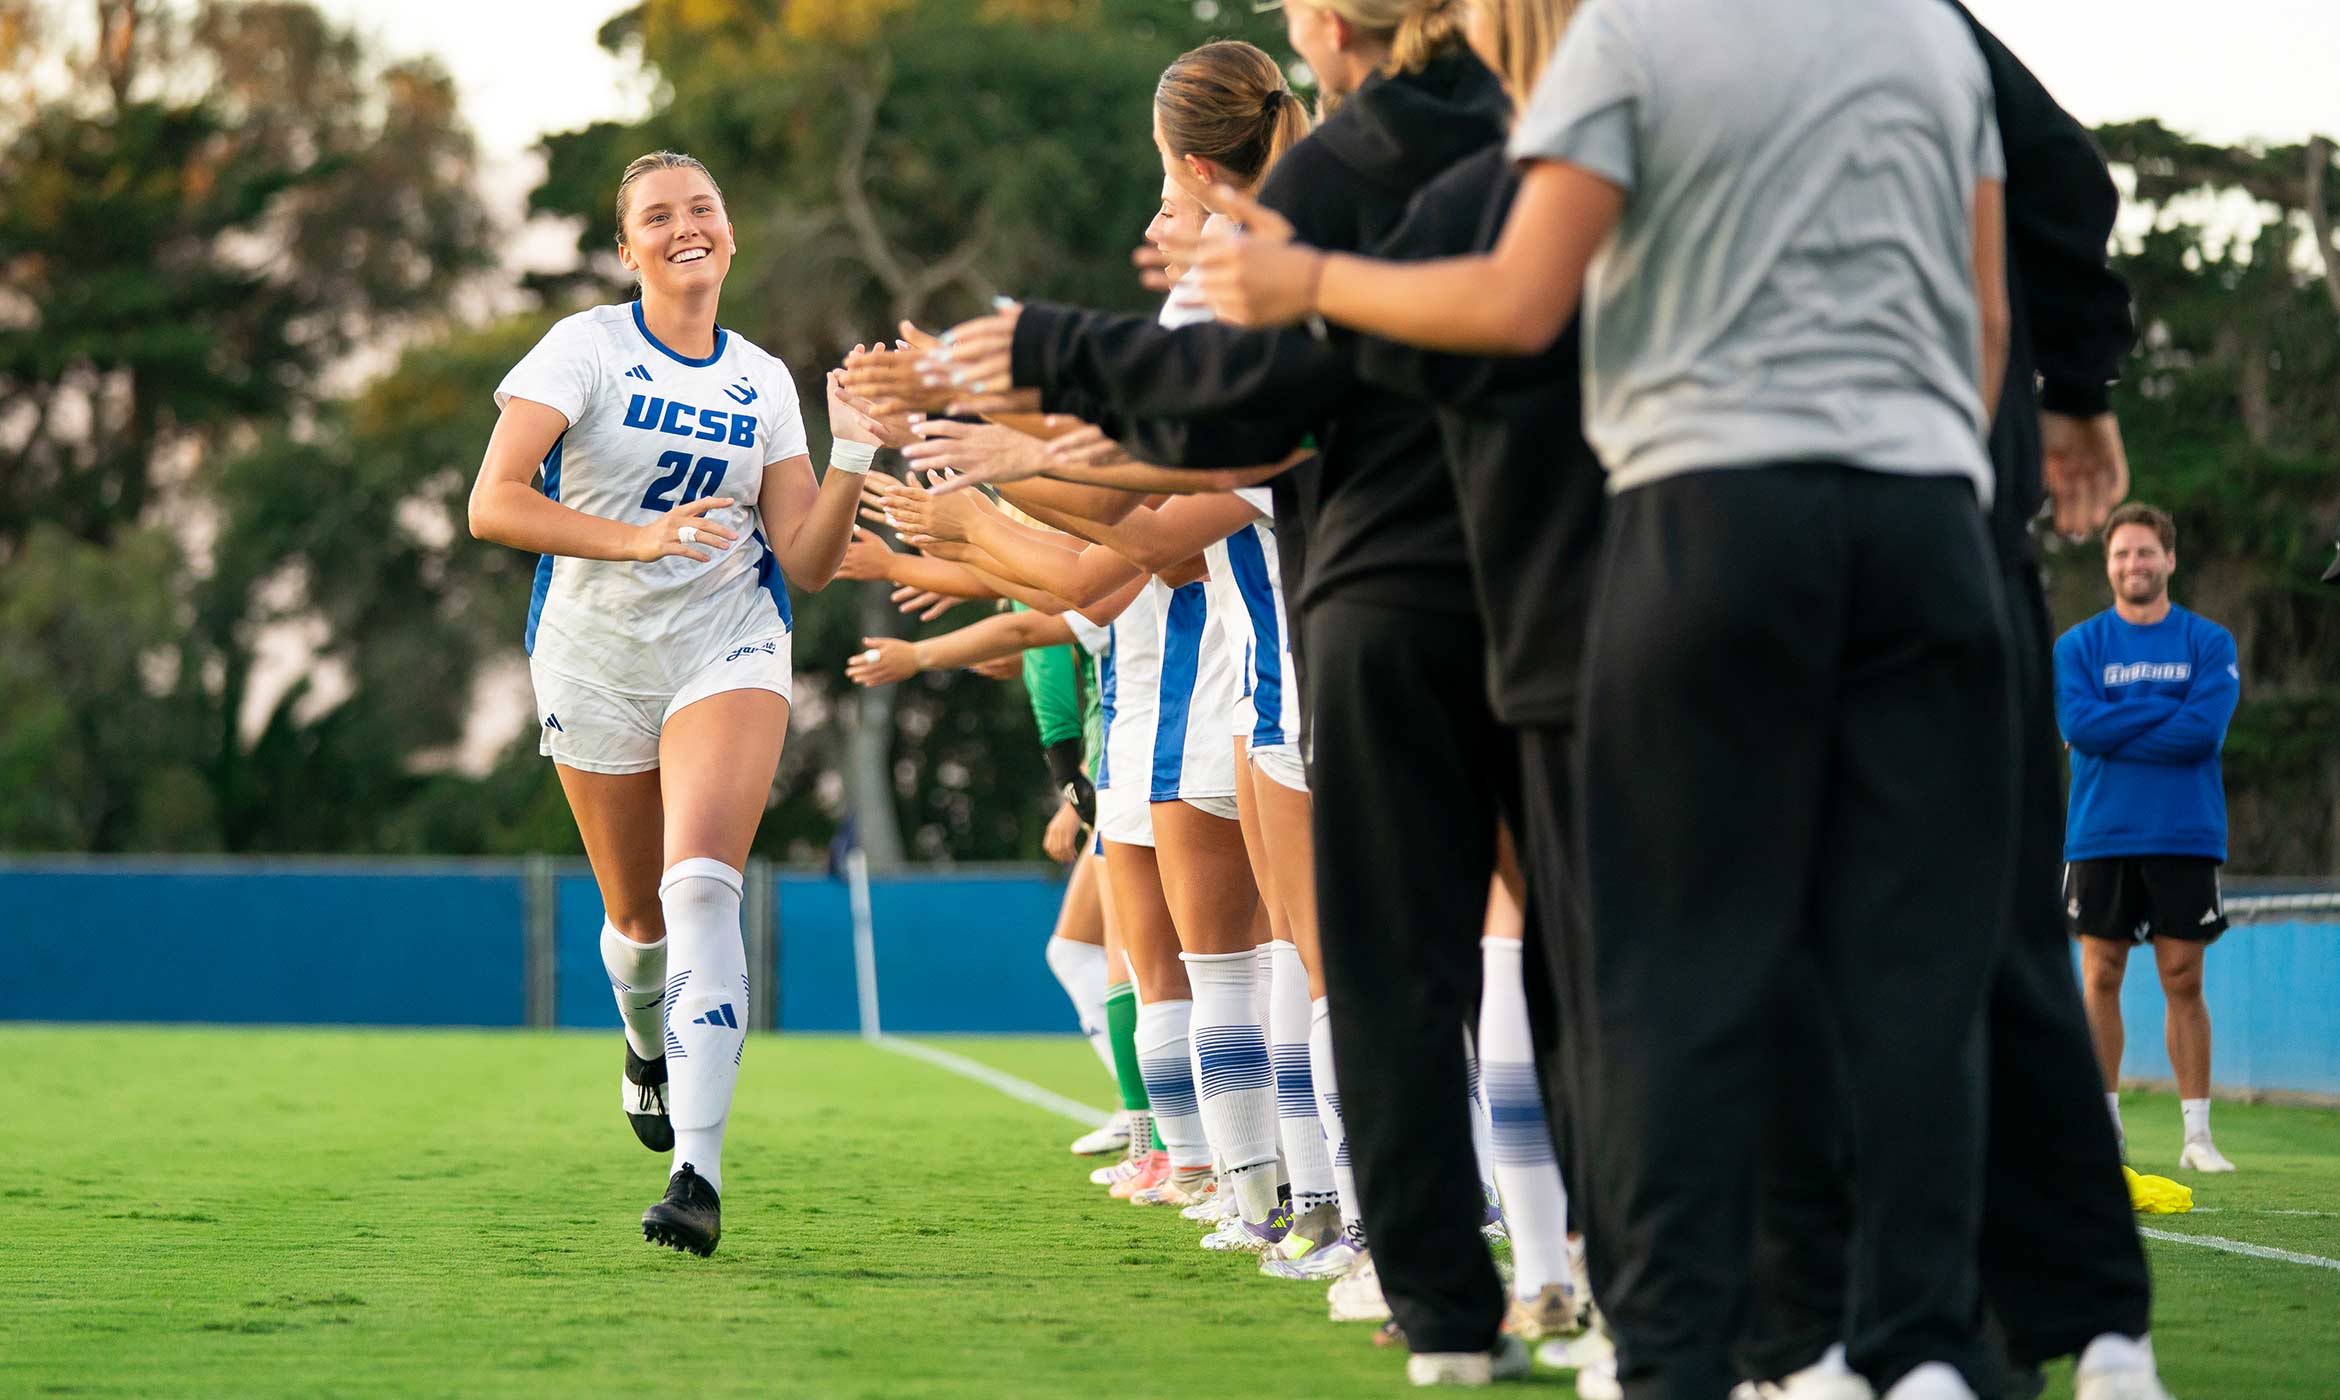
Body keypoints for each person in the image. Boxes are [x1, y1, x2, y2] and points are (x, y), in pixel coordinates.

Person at [1184, 0, 2021, 1392]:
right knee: (1907, 959)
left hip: (1710, 533)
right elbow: (1985, 317)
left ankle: (1698, 1346)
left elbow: (1518, 300)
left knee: (1681, 963)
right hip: (1928, 522)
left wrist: (1312, 281)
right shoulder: (1925, 39)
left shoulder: (1627, 47)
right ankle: (1910, 1342)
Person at [466, 151, 868, 1257]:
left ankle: (698, 1174)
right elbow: (492, 503)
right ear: (627, 248)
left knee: (699, 890)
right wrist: (637, 539)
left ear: (730, 234)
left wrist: (856, 450)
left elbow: (808, 561)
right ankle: (645, 1042)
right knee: (638, 925)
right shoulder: (585, 346)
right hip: (592, 655)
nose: (684, 226)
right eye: (658, 215)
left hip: (726, 640)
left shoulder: (765, 380)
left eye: (702, 209)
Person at [2056, 501, 2241, 1174]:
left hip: (2183, 831)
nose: (2133, 563)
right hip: (2100, 832)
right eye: (2121, 554)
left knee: (2182, 977)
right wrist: (2163, 709)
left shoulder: (2208, 642)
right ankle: (2103, 1130)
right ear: (2108, 565)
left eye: (2144, 552)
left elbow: (2202, 733)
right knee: (2100, 974)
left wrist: (2117, 723)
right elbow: (2080, 726)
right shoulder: (2077, 646)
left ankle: (2197, 1138)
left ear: (2169, 559)